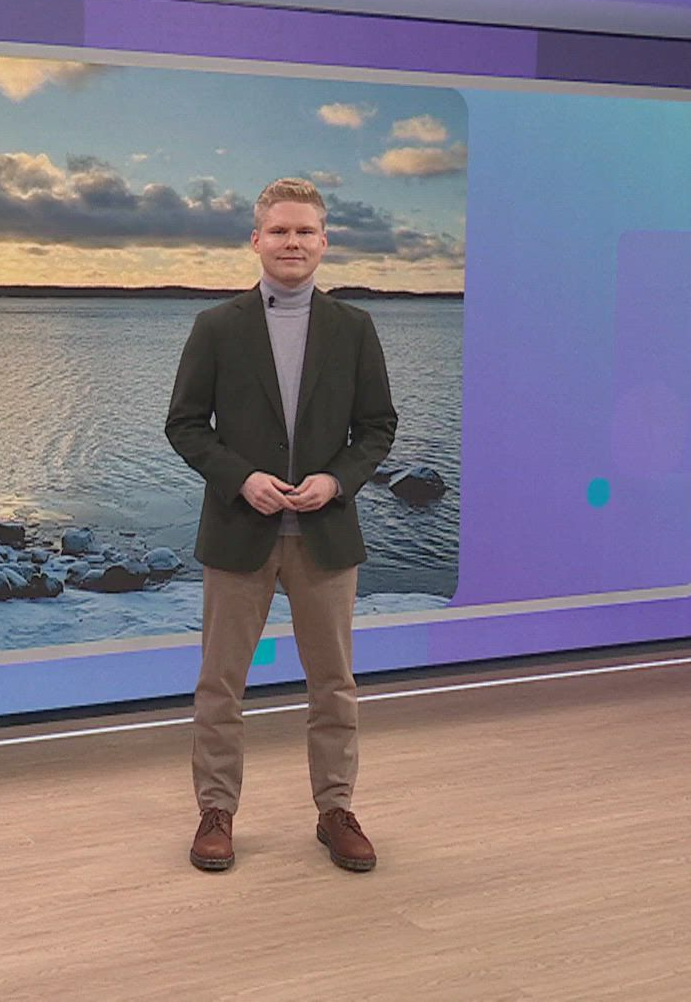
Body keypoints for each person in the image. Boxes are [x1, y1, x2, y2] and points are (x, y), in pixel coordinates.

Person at [164, 177, 398, 873]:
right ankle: (216, 812)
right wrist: (241, 478)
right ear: (256, 240)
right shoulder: (216, 327)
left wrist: (337, 481)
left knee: (334, 685)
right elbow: (184, 424)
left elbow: (377, 427)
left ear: (324, 242)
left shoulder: (355, 328)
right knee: (221, 685)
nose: (291, 242)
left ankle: (335, 810)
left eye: (304, 232)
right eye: (279, 231)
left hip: (326, 538)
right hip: (239, 534)